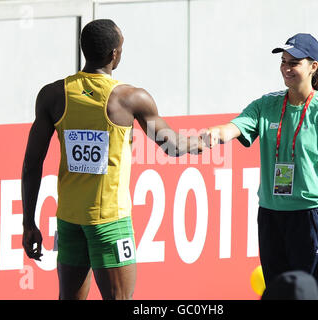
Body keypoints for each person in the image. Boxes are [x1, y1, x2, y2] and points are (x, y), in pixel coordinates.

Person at [22, 19, 203, 300]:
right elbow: (171, 146)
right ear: (114, 55)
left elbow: (32, 163)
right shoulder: (130, 98)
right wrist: (203, 140)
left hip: (69, 220)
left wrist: (28, 223)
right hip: (110, 222)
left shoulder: (53, 95)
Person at [202, 33, 318, 300]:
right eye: (283, 61)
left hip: (310, 217)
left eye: (294, 62)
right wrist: (213, 134)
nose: (286, 68)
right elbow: (235, 126)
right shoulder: (267, 104)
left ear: (313, 66)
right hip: (271, 216)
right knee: (279, 294)